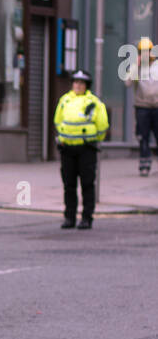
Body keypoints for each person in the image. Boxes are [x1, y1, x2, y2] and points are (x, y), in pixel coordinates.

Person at [53, 68, 109, 229]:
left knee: (87, 184)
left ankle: (86, 217)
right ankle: (69, 217)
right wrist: (63, 138)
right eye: (76, 82)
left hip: (86, 149)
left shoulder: (94, 102)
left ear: (87, 85)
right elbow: (57, 121)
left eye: (81, 83)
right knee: (69, 185)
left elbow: (102, 125)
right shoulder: (65, 100)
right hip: (67, 149)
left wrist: (93, 140)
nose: (78, 85)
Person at [123, 37, 158, 176]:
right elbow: (127, 83)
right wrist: (135, 66)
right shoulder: (136, 67)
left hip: (156, 107)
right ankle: (144, 164)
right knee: (142, 137)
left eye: (147, 52)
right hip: (142, 107)